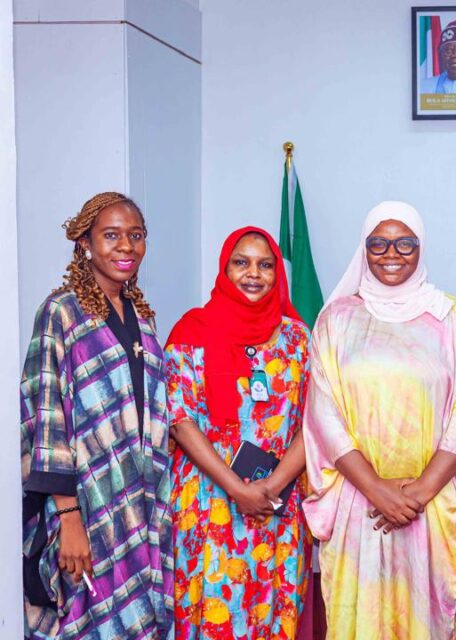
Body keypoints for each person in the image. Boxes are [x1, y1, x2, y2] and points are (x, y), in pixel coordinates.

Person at [302, 201, 456, 640]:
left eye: (405, 243)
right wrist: (375, 489)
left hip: (429, 502)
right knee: (356, 620)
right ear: (363, 249)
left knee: (427, 623)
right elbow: (323, 412)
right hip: (357, 503)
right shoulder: (337, 319)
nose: (391, 253)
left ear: (421, 247)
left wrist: (418, 492)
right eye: (378, 243)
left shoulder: (454, 317)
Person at [20, 192, 173, 639]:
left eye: (136, 236)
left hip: (141, 503)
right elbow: (44, 414)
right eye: (111, 235)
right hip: (87, 506)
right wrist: (68, 518)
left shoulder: (143, 319)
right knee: (87, 620)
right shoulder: (61, 312)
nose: (126, 246)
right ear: (85, 242)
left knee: (139, 618)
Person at [165, 227, 309, 640]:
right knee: (212, 611)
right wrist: (236, 489)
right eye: (241, 262)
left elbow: (315, 422)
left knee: (270, 611)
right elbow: (180, 419)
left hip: (276, 503)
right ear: (225, 268)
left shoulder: (298, 338)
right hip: (210, 500)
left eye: (266, 265)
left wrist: (272, 486)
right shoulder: (192, 330)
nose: (254, 274)